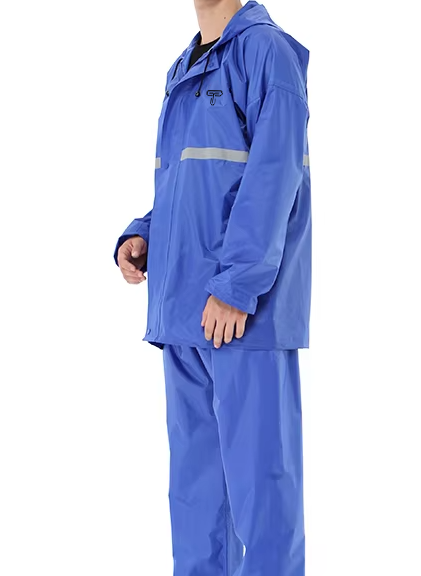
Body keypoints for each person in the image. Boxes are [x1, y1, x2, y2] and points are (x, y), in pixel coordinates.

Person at [113, 1, 311, 574]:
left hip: (242, 317)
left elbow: (274, 178)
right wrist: (145, 234)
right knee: (196, 503)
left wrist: (236, 286)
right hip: (184, 315)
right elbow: (192, 186)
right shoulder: (184, 67)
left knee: (264, 501)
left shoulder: (266, 53)